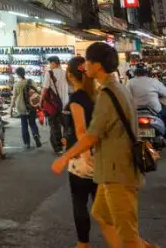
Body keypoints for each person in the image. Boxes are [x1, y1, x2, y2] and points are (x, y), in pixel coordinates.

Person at [51, 42, 156, 248]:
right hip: (110, 170)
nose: (85, 66)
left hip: (118, 171)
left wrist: (65, 157)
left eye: (88, 61)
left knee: (128, 235)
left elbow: (91, 136)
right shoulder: (116, 88)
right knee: (101, 214)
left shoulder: (107, 94)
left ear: (97, 65)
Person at [64, 56, 97, 248]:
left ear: (70, 75)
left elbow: (81, 130)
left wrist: (85, 156)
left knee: (80, 202)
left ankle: (83, 243)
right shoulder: (96, 94)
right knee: (101, 204)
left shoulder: (76, 98)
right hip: (99, 154)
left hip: (82, 157)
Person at [128, 64, 166, 130]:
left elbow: (126, 95)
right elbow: (165, 94)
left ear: (135, 72)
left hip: (136, 110)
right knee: (165, 110)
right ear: (147, 72)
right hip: (154, 109)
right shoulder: (153, 81)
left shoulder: (130, 82)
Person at [42, 55, 69, 154]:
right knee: (66, 126)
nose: (50, 65)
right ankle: (67, 145)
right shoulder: (66, 73)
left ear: (53, 63)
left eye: (50, 63)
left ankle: (58, 148)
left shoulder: (49, 73)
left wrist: (41, 100)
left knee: (54, 126)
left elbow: (45, 89)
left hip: (54, 105)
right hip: (66, 103)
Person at [11, 66, 41, 149]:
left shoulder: (16, 84)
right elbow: (37, 91)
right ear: (24, 72)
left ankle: (27, 143)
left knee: (24, 125)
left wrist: (11, 109)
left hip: (21, 106)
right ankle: (35, 134)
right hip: (31, 105)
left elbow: (14, 97)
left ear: (17, 74)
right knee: (32, 123)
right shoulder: (31, 81)